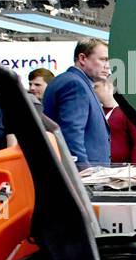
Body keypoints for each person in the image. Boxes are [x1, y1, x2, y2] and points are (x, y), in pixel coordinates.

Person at [43, 39, 111, 168]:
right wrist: (82, 170)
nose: (107, 66)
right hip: (83, 176)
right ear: (82, 58)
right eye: (103, 59)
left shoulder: (68, 80)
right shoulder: (75, 84)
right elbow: (72, 133)